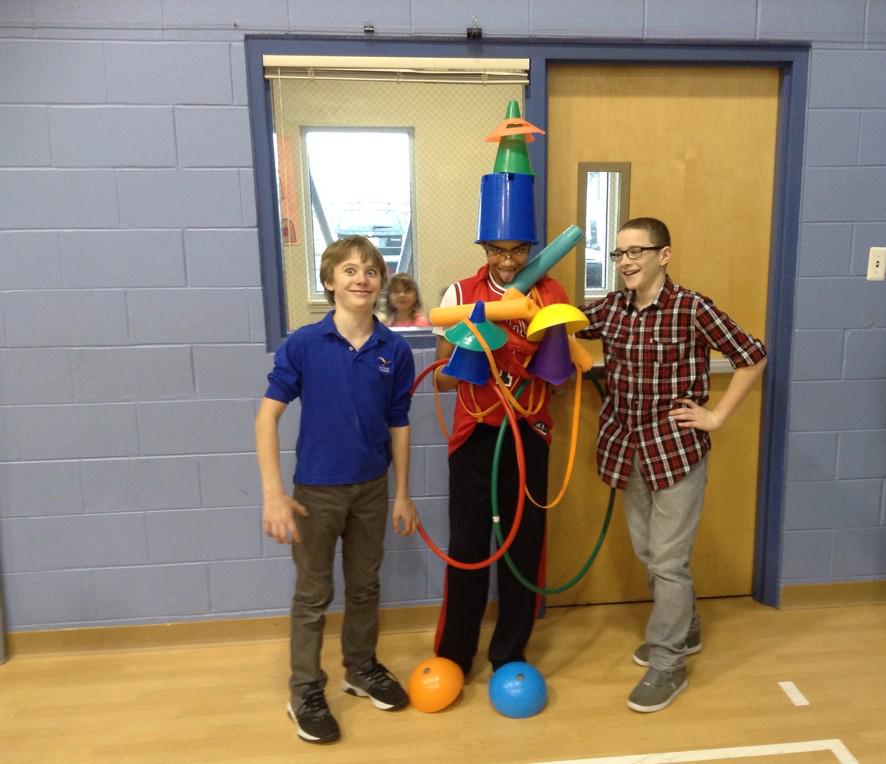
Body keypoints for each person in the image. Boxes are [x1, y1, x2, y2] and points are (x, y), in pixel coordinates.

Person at [576, 217, 767, 714]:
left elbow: (752, 355)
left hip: (675, 453)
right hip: (627, 450)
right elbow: (564, 322)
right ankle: (687, 628)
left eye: (636, 251)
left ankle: (668, 662)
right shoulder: (612, 308)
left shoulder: (691, 307)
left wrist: (716, 417)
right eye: (619, 254)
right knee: (650, 553)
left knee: (667, 560)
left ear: (664, 255)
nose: (626, 262)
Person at [255, 235, 420, 744]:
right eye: (349, 270)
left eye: (370, 271)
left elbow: (399, 423)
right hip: (316, 494)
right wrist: (274, 495)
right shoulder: (304, 344)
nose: (361, 279)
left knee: (365, 586)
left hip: (371, 490)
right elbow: (266, 419)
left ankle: (361, 667)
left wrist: (402, 493)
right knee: (313, 595)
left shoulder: (394, 350)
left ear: (380, 282)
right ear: (330, 281)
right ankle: (305, 690)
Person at [432, 238, 569, 676]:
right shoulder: (460, 293)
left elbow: (560, 382)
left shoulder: (551, 293)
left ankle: (509, 653)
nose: (507, 260)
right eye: (496, 250)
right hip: (474, 436)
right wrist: (476, 349)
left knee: (523, 547)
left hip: (528, 434)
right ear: (483, 247)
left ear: (531, 248)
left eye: (518, 250)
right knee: (468, 547)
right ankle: (455, 655)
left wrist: (541, 346)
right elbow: (440, 380)